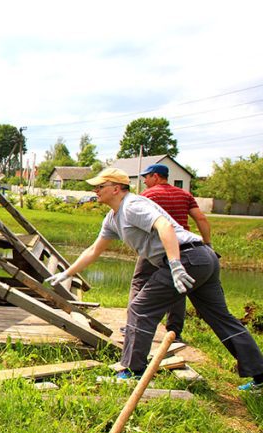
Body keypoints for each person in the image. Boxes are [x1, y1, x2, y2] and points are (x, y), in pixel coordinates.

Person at [45, 167, 263, 392]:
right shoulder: (112, 218)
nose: (96, 190)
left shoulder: (133, 205)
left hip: (189, 257)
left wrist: (176, 265)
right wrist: (67, 273)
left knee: (141, 308)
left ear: (116, 188)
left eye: (100, 186)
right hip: (200, 258)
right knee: (220, 317)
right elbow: (93, 250)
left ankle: (132, 370)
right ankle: (261, 375)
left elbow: (164, 226)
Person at [130, 163, 212, 341]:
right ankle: (174, 331)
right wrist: (207, 243)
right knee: (178, 286)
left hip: (156, 247)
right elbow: (200, 217)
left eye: (146, 177)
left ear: (156, 176)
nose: (144, 181)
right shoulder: (184, 195)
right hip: (182, 248)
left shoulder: (148, 196)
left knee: (139, 282)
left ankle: (132, 324)